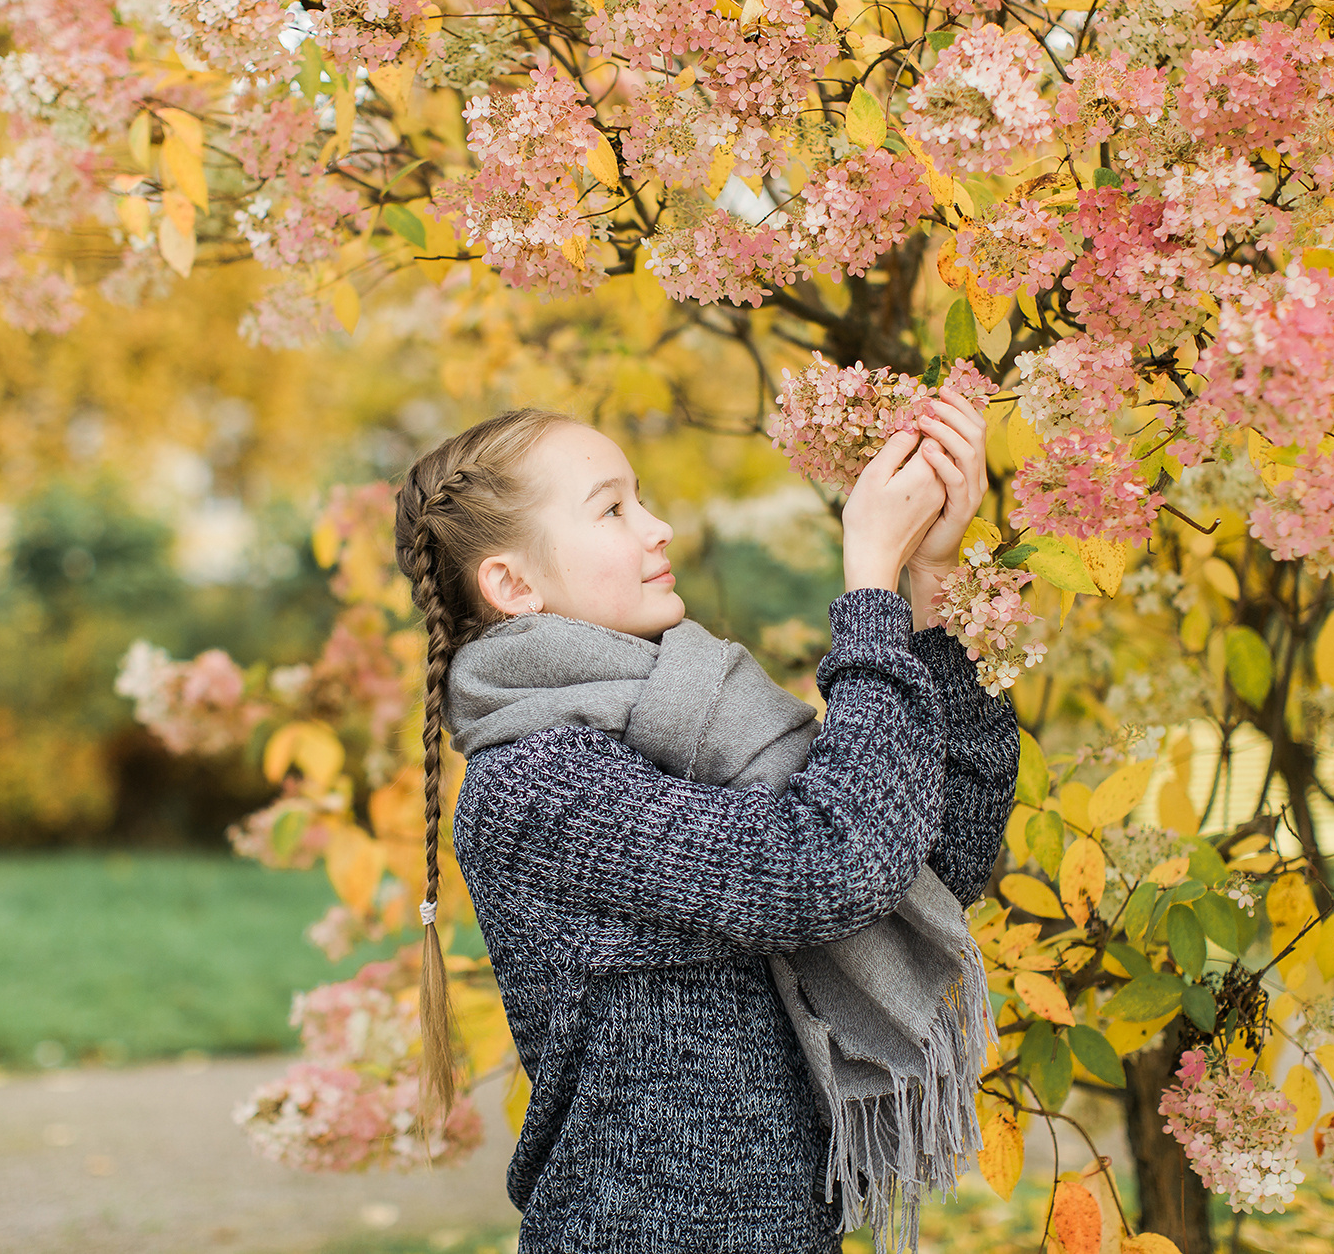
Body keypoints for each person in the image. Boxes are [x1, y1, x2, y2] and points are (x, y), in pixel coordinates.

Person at [390, 380, 1018, 1253]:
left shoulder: (699, 726)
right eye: (612, 509)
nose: (658, 528)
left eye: (642, 497)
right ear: (512, 582)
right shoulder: (534, 785)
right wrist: (869, 585)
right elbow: (828, 869)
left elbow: (941, 852)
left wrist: (931, 585)